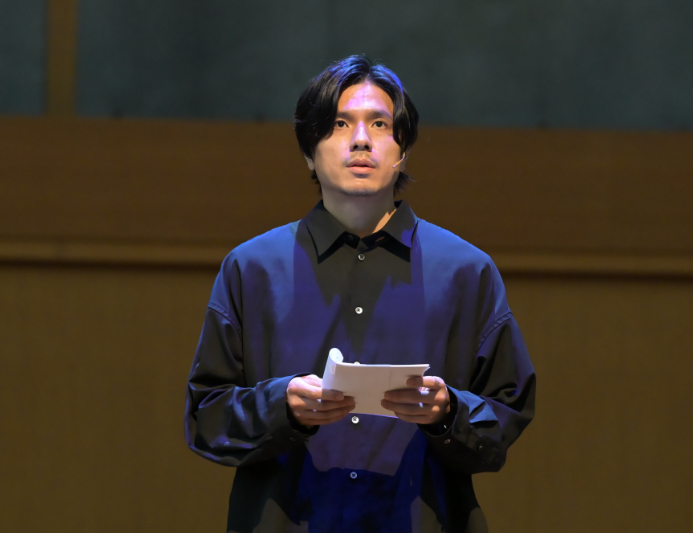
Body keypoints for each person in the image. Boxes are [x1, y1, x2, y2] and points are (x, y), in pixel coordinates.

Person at [184, 55, 536, 533]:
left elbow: (506, 416)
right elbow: (206, 418)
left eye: (380, 123)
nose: (361, 139)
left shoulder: (466, 272)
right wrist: (281, 407)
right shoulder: (252, 269)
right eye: (339, 124)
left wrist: (447, 412)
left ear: (402, 150)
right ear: (309, 153)